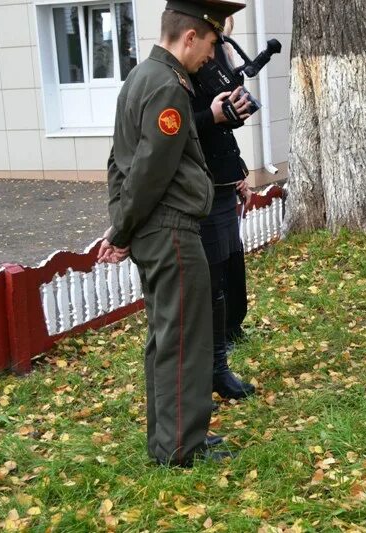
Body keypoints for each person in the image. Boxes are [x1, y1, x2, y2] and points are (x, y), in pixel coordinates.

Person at [98, 0, 246, 468]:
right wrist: (122, 231)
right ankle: (182, 447)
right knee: (185, 337)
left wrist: (123, 226)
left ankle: (169, 440)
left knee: (167, 337)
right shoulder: (166, 85)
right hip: (171, 229)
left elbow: (118, 161)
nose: (211, 56)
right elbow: (146, 171)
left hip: (156, 229)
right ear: (189, 37)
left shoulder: (141, 78)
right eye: (209, 44)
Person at [190, 15, 255, 400]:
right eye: (214, 43)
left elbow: (223, 131)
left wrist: (240, 171)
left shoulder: (213, 62)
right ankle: (216, 366)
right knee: (213, 282)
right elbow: (185, 129)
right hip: (204, 189)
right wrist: (213, 116)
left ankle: (228, 340)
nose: (215, 52)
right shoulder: (178, 76)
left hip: (223, 182)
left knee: (231, 266)